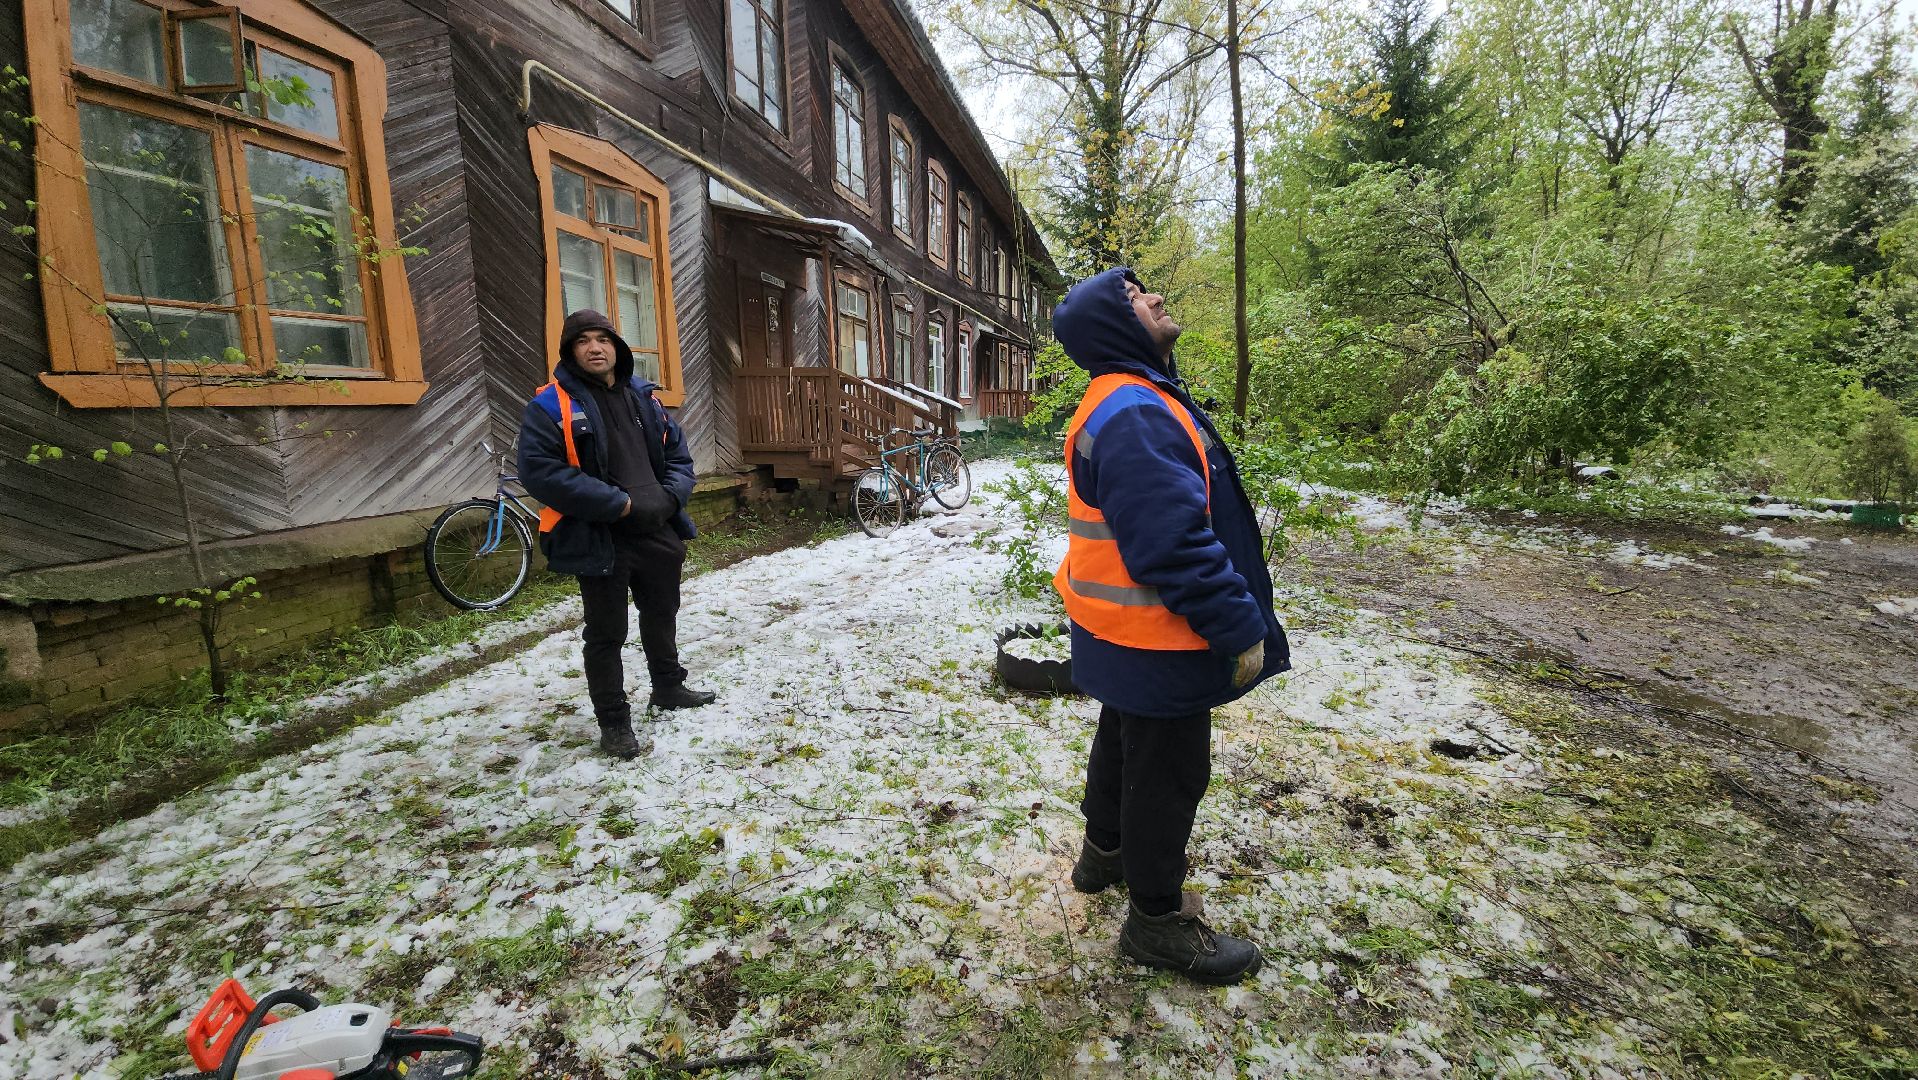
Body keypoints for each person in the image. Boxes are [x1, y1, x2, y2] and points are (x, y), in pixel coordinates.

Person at [1051, 268, 1290, 986]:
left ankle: (1103, 855)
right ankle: (1155, 922)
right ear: (1115, 326)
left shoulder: (1124, 398)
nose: (1154, 298)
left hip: (1124, 635)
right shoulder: (1134, 411)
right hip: (1161, 636)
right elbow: (1173, 545)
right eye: (1133, 298)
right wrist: (1239, 628)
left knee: (1124, 741)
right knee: (1168, 776)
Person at [517, 309, 716, 760]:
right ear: (570, 351)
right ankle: (614, 722)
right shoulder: (550, 406)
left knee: (661, 613)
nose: (595, 348)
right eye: (583, 341)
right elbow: (541, 472)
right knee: (607, 633)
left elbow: (679, 457)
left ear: (617, 346)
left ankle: (668, 687)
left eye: (603, 339)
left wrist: (670, 498)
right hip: (600, 538)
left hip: (657, 529)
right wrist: (619, 504)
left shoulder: (644, 398)